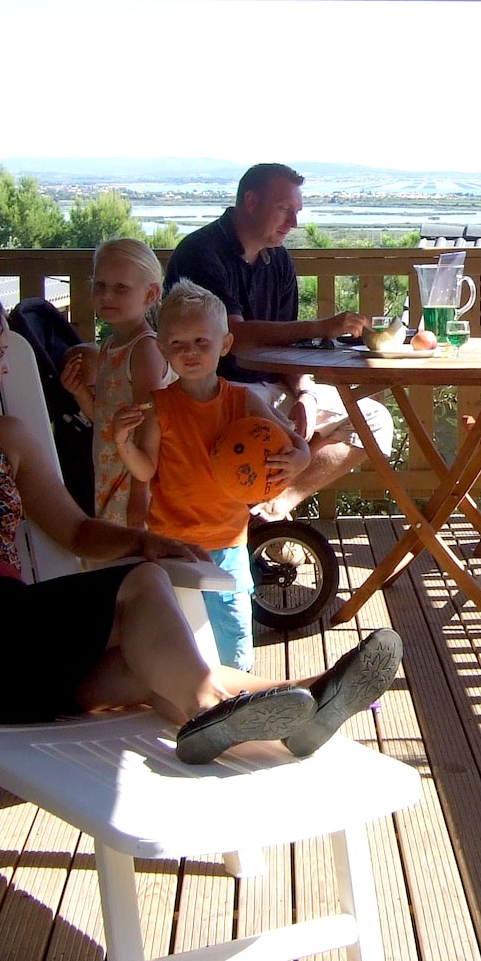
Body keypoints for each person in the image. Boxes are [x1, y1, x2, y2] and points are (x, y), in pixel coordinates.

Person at [0, 278, 400, 764]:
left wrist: (147, 541)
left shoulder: (3, 439)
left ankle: (304, 700)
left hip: (22, 658)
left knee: (150, 669)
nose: (4, 368)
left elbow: (77, 531)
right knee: (143, 589)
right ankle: (246, 706)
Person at [165, 162, 395, 518]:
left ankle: (276, 506)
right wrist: (320, 327)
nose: (294, 223)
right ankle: (251, 523)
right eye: (285, 210)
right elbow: (235, 337)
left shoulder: (280, 262)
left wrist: (304, 393)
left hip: (274, 386)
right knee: (281, 435)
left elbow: (286, 347)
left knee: (374, 421)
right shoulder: (201, 253)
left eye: (297, 212)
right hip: (218, 391)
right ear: (251, 201)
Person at [110, 282, 309, 672]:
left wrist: (299, 460)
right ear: (163, 350)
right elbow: (146, 470)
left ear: (225, 343)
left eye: (202, 341)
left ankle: (236, 697)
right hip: (173, 543)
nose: (190, 352)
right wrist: (122, 442)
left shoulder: (241, 400)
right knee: (179, 641)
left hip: (228, 542)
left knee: (232, 636)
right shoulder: (160, 407)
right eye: (178, 343)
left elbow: (294, 440)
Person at [59, 237, 167, 531]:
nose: (107, 296)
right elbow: (104, 417)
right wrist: (80, 392)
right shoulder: (108, 346)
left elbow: (149, 425)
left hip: (133, 475)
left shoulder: (145, 349)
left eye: (121, 288)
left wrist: (139, 494)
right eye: (100, 285)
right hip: (110, 469)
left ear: (150, 294)